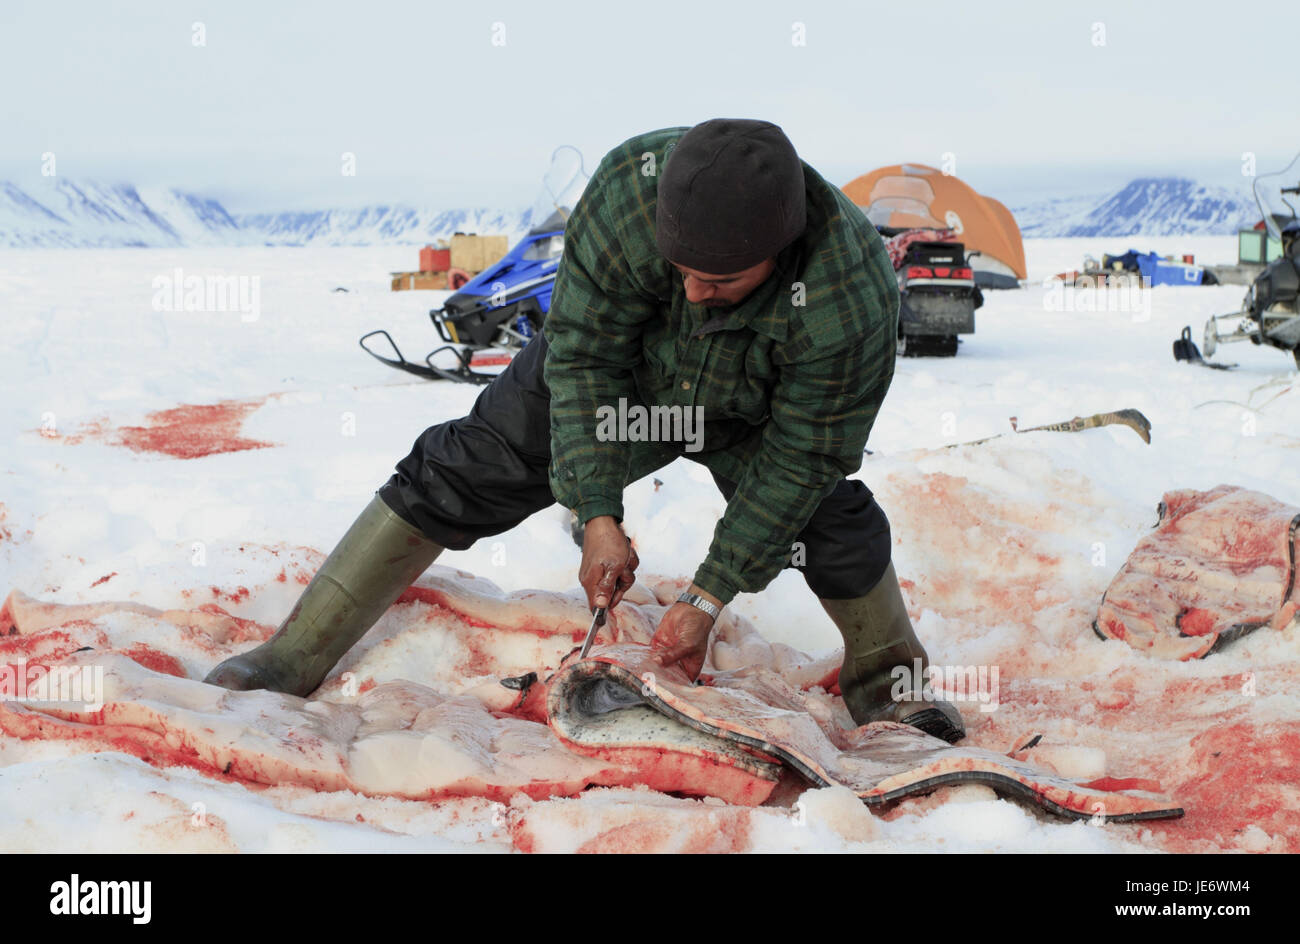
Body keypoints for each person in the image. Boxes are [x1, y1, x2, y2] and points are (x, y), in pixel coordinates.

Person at [205, 118, 965, 743]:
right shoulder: (629, 194)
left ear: (780, 252)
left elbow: (804, 458)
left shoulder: (847, 293)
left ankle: (890, 689)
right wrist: (597, 515)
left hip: (754, 409)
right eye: (680, 270)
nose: (694, 294)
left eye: (721, 280)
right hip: (626, 371)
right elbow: (583, 360)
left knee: (830, 523)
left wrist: (706, 599)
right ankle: (293, 652)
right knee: (458, 469)